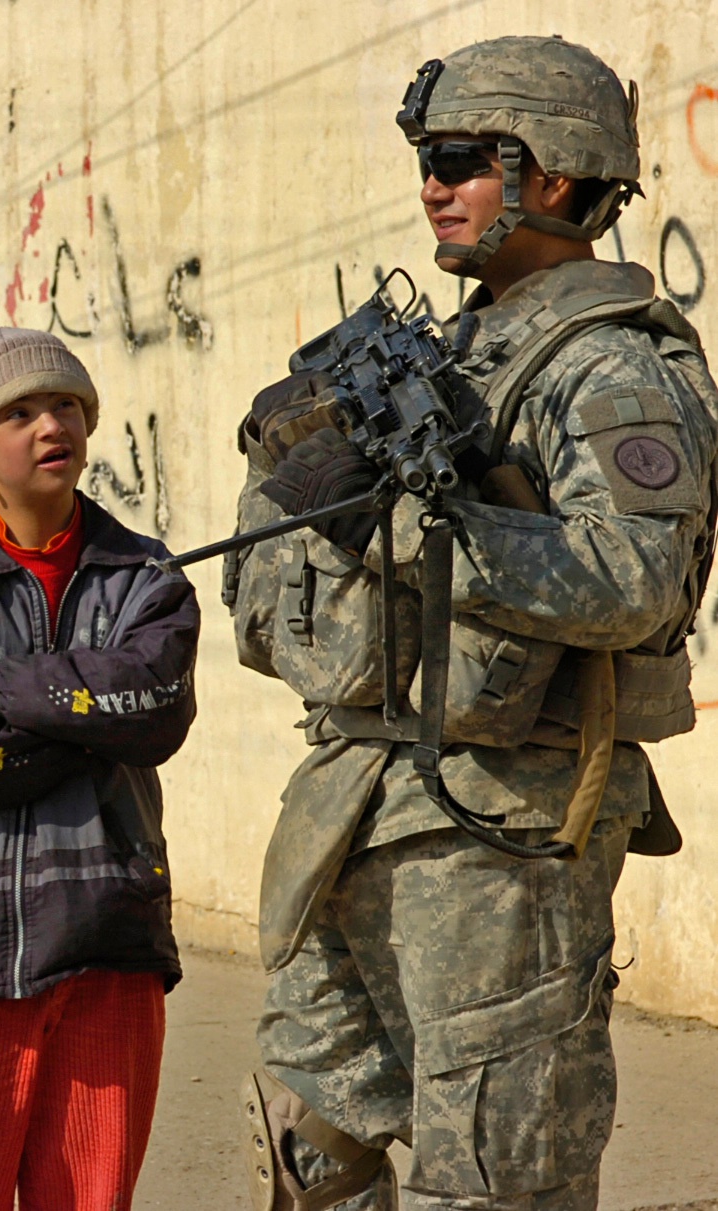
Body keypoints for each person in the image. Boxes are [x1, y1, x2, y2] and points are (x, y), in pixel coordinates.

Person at [229, 35, 718, 1211]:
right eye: (425, 159)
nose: (430, 185)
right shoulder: (448, 355)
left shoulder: (608, 367)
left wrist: (404, 527)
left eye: (458, 158)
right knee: (311, 1138)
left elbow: (634, 573)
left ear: (551, 176)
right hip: (358, 801)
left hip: (502, 827)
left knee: (495, 1173)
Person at [0, 327, 200, 1211]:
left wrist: (16, 687)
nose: (50, 423)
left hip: (107, 944)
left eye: (64, 405)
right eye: (18, 412)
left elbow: (158, 707)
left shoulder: (148, 580)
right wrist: (91, 715)